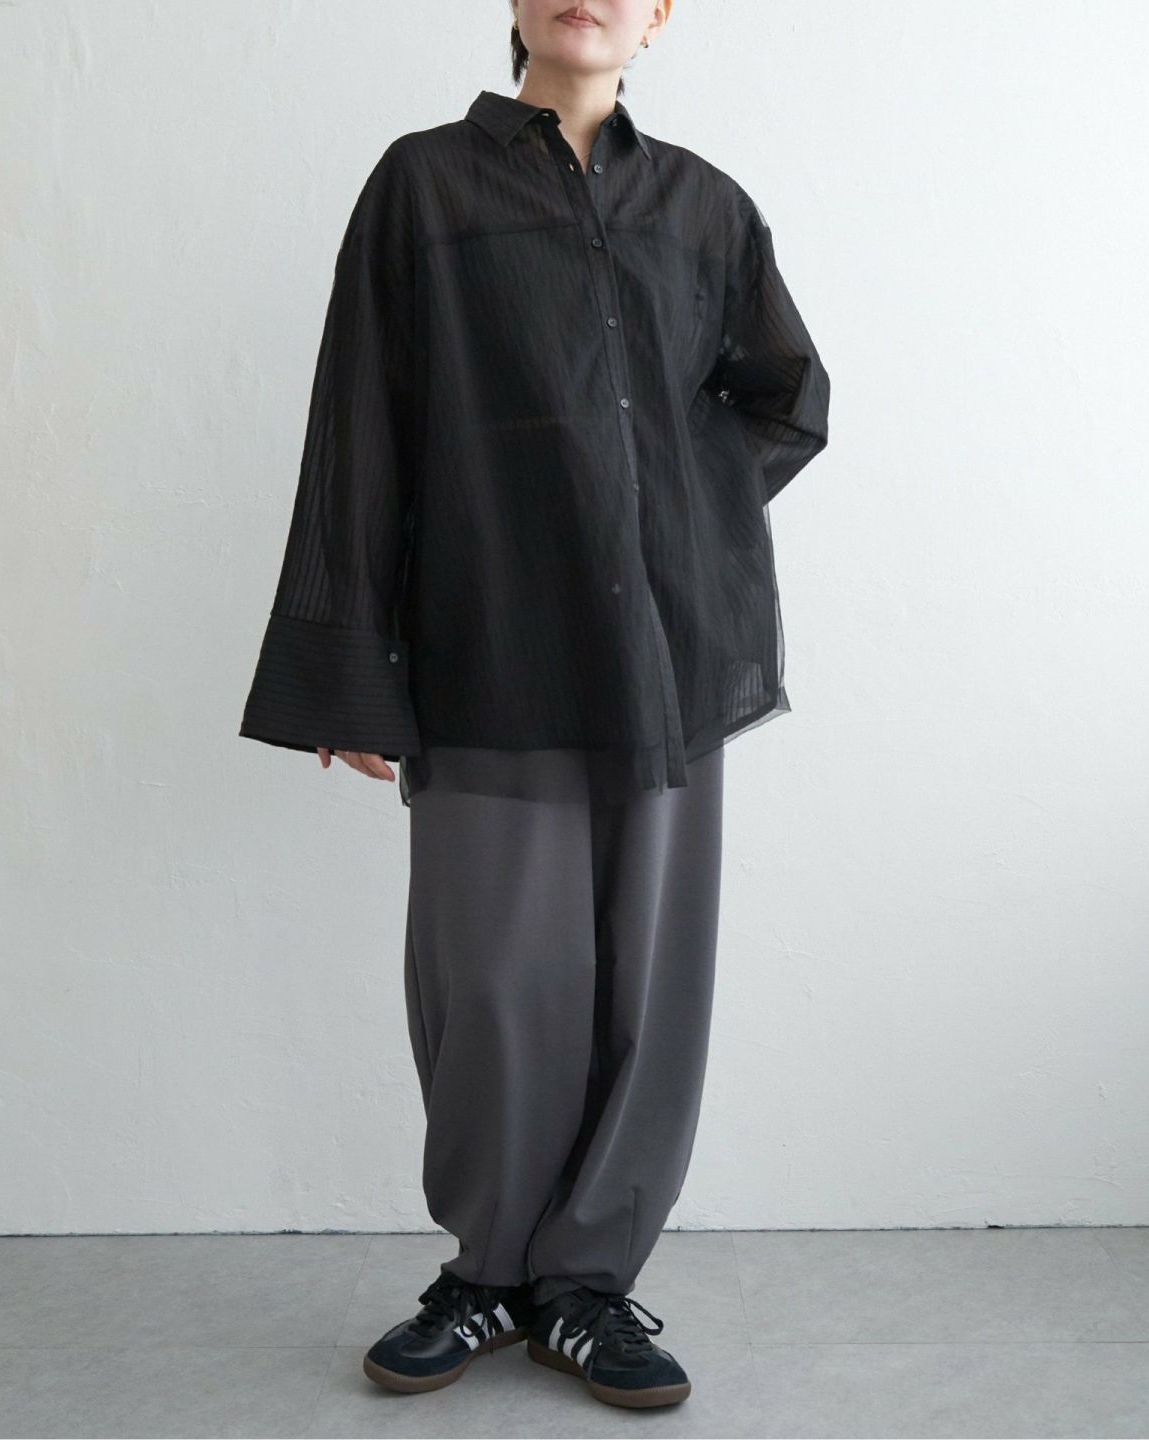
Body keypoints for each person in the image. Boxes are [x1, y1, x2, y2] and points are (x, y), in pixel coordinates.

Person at [238, 0, 830, 1411]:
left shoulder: (706, 208)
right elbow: (361, 421)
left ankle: (589, 1286)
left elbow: (786, 398)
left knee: (647, 978)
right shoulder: (423, 187)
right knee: (496, 974)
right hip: (484, 639)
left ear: (660, 17)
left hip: (666, 653)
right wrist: (352, 662)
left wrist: (674, 515)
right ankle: (491, 1272)